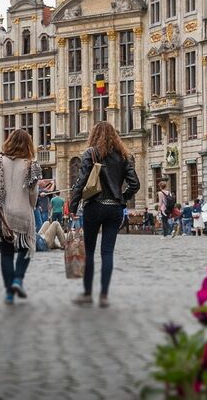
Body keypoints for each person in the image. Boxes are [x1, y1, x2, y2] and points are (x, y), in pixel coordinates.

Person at [70, 121, 140, 308]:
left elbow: (81, 181)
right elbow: (135, 184)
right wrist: (123, 197)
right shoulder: (123, 156)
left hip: (94, 206)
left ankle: (87, 293)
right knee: (107, 252)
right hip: (114, 208)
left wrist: (73, 206)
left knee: (89, 251)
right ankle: (104, 295)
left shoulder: (91, 153)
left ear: (94, 135)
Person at [0, 130, 41, 305]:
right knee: (26, 249)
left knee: (6, 254)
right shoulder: (31, 164)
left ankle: (9, 293)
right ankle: (18, 279)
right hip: (23, 213)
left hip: (2, 215)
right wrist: (31, 203)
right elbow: (33, 193)